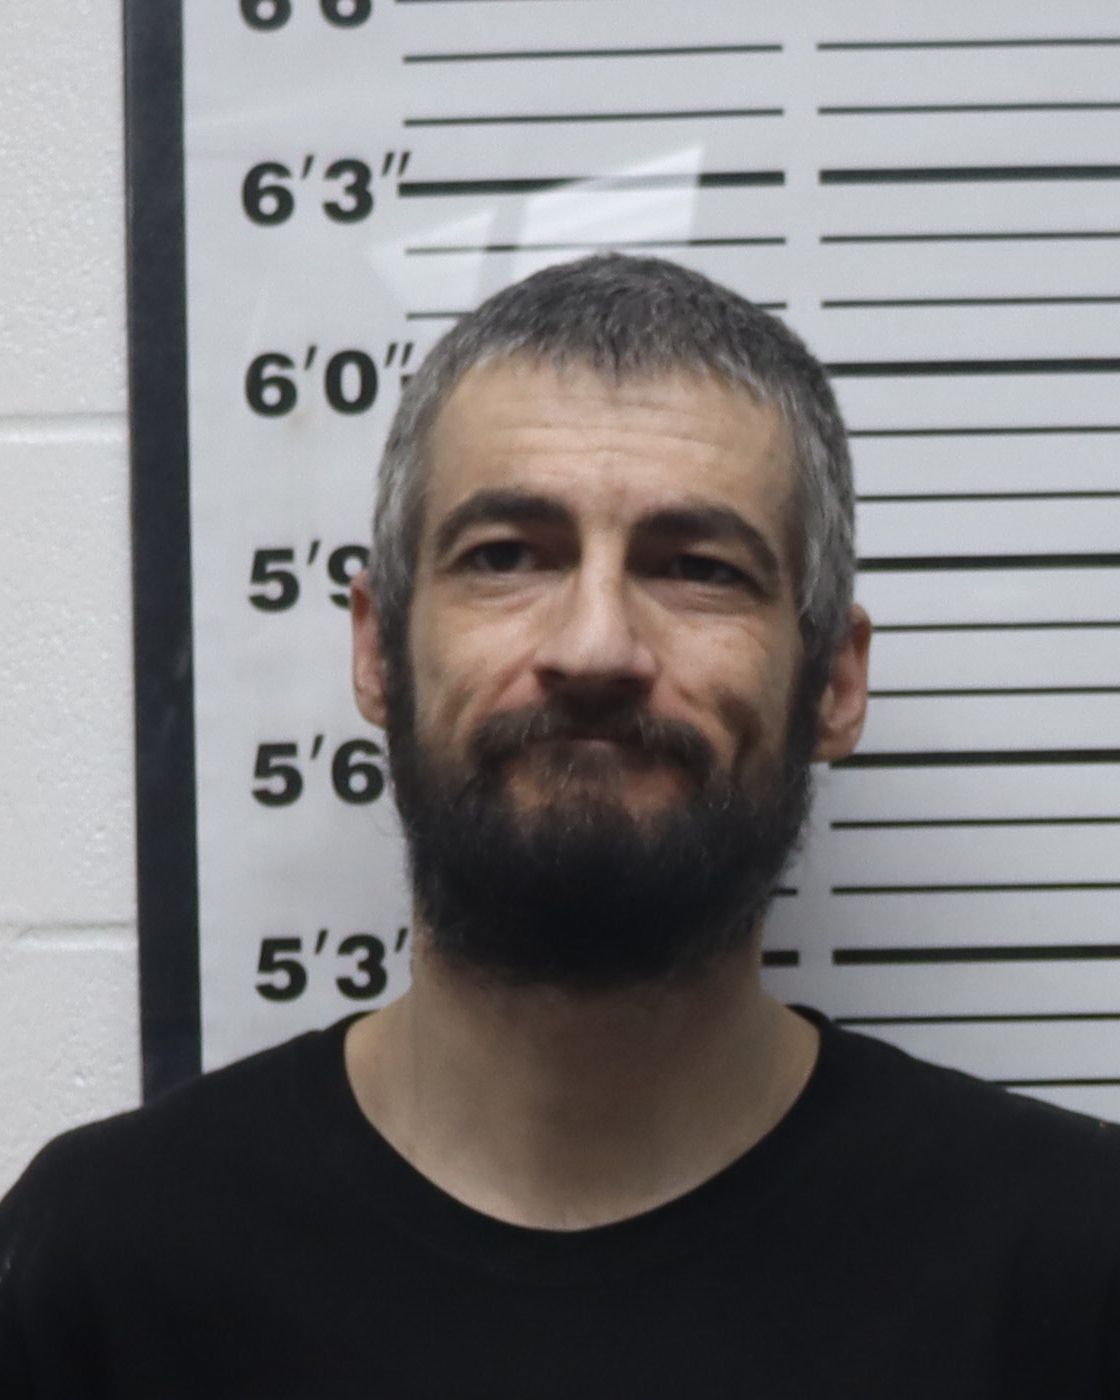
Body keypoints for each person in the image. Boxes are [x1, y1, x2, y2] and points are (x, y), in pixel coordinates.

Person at [2, 254, 1118, 1397]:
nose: (594, 648)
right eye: (505, 556)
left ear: (832, 682)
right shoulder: (99, 1268)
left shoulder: (1075, 1270)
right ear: (376, 649)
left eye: (697, 568)